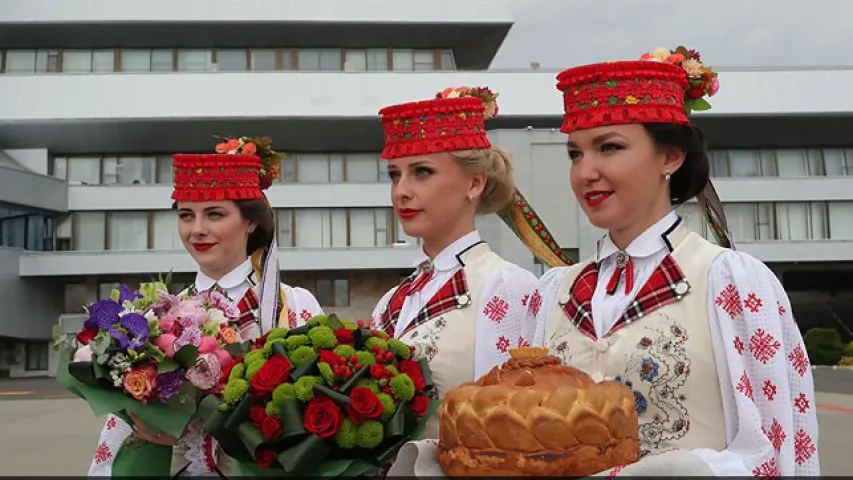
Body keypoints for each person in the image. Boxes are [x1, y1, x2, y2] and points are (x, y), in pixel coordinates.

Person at [522, 46, 820, 476]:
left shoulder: (730, 282)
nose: (585, 171)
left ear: (670, 156)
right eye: (575, 153)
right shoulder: (553, 292)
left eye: (609, 147)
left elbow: (776, 447)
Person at [82, 137, 324, 477]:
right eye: (186, 215)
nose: (197, 230)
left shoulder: (292, 305)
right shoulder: (158, 315)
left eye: (215, 214)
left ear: (251, 221)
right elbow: (122, 426)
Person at [369, 86, 553, 440]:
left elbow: (509, 425)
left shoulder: (505, 285)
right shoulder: (394, 299)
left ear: (474, 182)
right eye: (395, 174)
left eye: (422, 172)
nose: (401, 190)